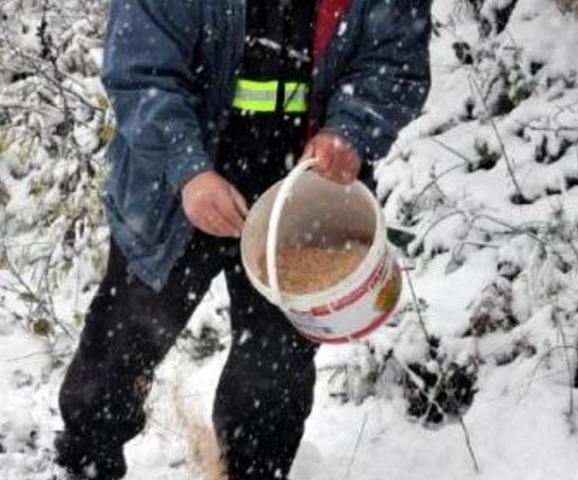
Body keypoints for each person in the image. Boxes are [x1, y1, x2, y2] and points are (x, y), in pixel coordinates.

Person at [54, 0, 431, 478]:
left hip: (303, 195)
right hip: (173, 192)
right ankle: (87, 463)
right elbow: (140, 71)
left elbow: (396, 60)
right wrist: (188, 170)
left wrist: (349, 131)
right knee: (121, 344)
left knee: (275, 371)